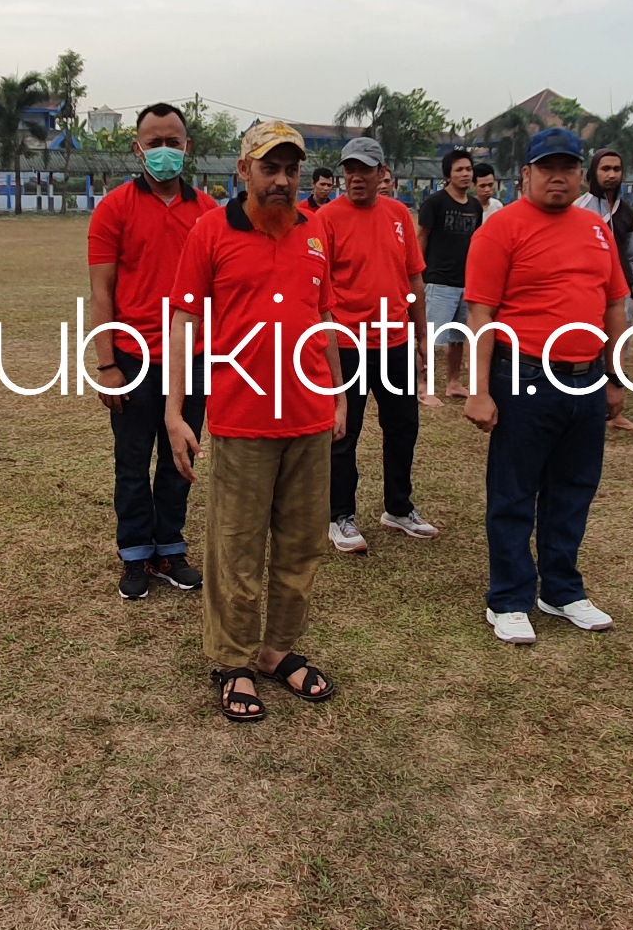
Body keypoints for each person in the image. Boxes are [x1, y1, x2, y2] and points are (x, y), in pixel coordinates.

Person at [165, 120, 344, 721]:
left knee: (302, 546)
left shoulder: (316, 231)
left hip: (311, 415)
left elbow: (323, 317)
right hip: (242, 419)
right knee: (236, 549)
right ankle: (233, 661)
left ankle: (276, 652)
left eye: (292, 169)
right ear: (243, 171)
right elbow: (185, 322)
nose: (284, 180)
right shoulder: (211, 231)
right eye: (270, 168)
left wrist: (340, 394)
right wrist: (173, 410)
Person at [464, 128, 626, 645]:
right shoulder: (501, 228)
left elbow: (614, 304)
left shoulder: (596, 228)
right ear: (526, 174)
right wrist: (478, 388)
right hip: (525, 374)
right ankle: (509, 597)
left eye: (568, 168)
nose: (559, 177)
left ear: (581, 175)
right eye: (547, 168)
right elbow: (481, 312)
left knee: (573, 488)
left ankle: (560, 589)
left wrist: (615, 375)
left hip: (586, 377)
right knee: (514, 491)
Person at [87, 103, 216, 599]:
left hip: (193, 358)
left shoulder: (208, 213)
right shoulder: (113, 208)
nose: (164, 150)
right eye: (154, 142)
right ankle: (135, 554)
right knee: (132, 461)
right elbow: (102, 291)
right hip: (133, 356)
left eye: (174, 141)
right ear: (137, 148)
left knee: (180, 459)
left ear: (188, 148)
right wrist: (106, 364)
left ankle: (170, 548)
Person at [319, 136, 435, 553]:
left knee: (403, 426)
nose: (355, 177)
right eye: (349, 169)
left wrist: (422, 336)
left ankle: (398, 508)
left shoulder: (398, 214)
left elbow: (415, 278)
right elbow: (317, 288)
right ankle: (339, 516)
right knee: (343, 431)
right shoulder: (327, 218)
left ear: (381, 173)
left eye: (364, 169)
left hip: (396, 342)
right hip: (347, 343)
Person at [575, 144, 633, 433]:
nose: (612, 174)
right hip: (588, 294)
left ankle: (616, 412)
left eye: (617, 169)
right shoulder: (578, 209)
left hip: (622, 296)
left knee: (619, 350)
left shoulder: (626, 212)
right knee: (588, 349)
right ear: (592, 173)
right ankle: (585, 408)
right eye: (605, 169)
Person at [417, 148, 484, 408]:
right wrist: (419, 273)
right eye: (459, 170)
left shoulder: (475, 206)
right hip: (438, 281)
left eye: (468, 169)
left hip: (466, 282)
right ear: (448, 174)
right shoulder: (435, 203)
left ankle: (454, 382)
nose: (465, 174)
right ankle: (424, 387)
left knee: (457, 338)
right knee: (432, 339)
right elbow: (421, 236)